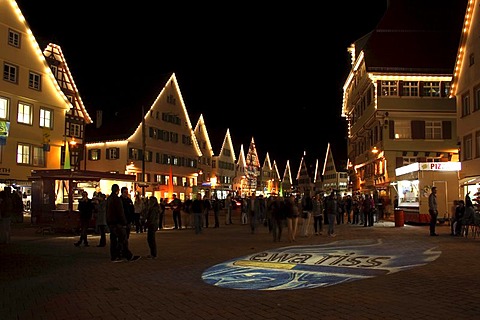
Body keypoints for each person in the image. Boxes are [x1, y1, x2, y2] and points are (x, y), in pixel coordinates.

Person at [106, 184, 140, 262]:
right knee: (122, 239)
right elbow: (120, 212)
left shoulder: (109, 199)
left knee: (115, 239)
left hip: (112, 222)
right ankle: (124, 255)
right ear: (118, 191)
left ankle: (117, 256)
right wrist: (124, 222)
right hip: (118, 222)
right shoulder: (117, 199)